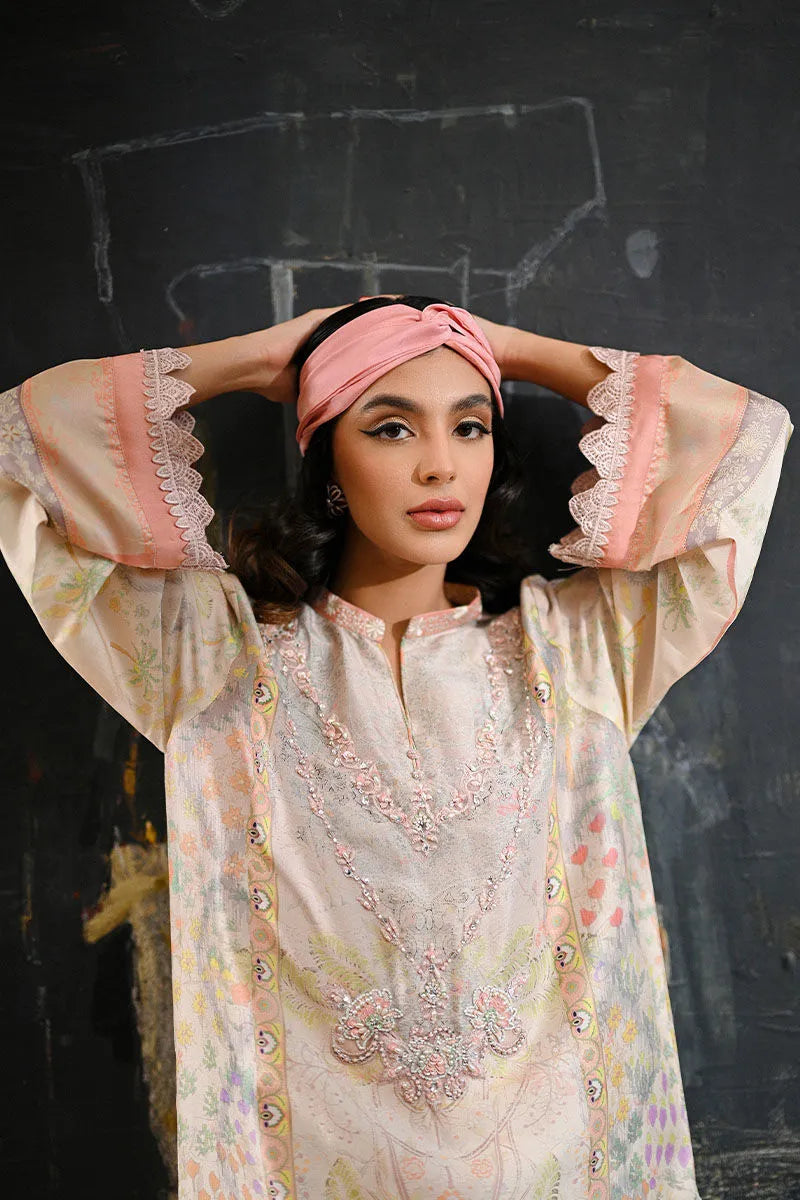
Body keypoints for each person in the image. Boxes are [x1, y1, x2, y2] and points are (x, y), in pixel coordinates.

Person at [0, 293, 792, 1200]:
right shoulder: (211, 662)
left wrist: (507, 348)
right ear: (329, 465)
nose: (440, 465)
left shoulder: (581, 653)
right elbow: (19, 447)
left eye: (470, 426)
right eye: (390, 428)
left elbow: (752, 439)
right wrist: (266, 357)